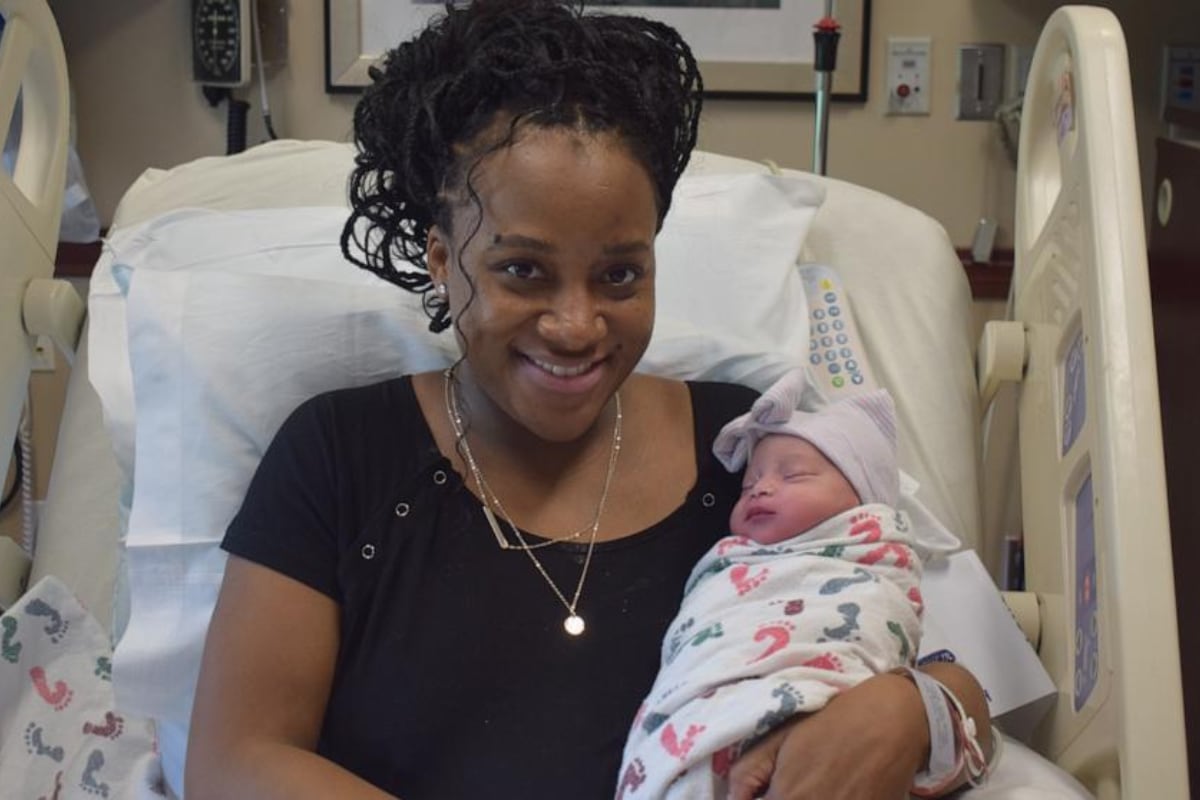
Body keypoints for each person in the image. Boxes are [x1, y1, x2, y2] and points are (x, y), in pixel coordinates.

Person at [184, 1, 992, 798]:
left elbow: (930, 648)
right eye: (522, 270)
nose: (576, 326)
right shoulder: (340, 454)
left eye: (618, 275)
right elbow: (236, 761)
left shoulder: (751, 449)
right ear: (439, 258)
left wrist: (909, 709)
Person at [617, 378, 986, 799]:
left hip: (828, 744)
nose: (761, 487)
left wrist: (894, 713)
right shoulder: (726, 566)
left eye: (794, 475)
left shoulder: (871, 563)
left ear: (864, 505)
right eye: (748, 485)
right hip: (696, 737)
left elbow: (916, 677)